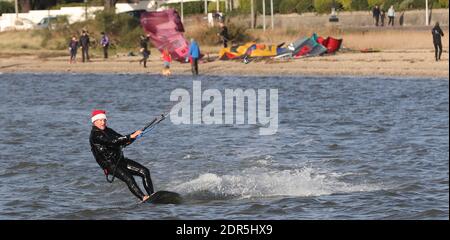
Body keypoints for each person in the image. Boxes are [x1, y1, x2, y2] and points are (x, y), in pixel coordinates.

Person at [89, 110, 154, 202]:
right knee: (129, 178)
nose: (103, 123)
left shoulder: (108, 130)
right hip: (110, 165)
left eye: (104, 120)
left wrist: (134, 135)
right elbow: (113, 141)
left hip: (120, 160)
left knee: (144, 171)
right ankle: (143, 197)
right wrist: (130, 136)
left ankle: (152, 196)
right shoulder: (95, 135)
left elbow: (121, 140)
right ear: (94, 122)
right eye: (100, 120)